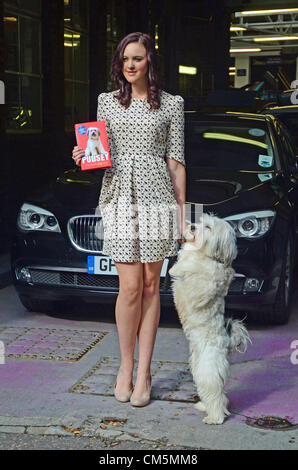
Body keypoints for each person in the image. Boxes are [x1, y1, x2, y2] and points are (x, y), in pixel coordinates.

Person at [72, 32, 186, 407]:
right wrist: (84, 154)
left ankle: (145, 372)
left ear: (150, 61)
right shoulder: (107, 102)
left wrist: (181, 214)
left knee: (153, 285)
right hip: (119, 196)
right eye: (125, 59)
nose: (131, 65)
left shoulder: (171, 105)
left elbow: (175, 162)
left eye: (137, 58)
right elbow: (99, 154)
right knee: (131, 287)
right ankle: (125, 366)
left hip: (157, 198)